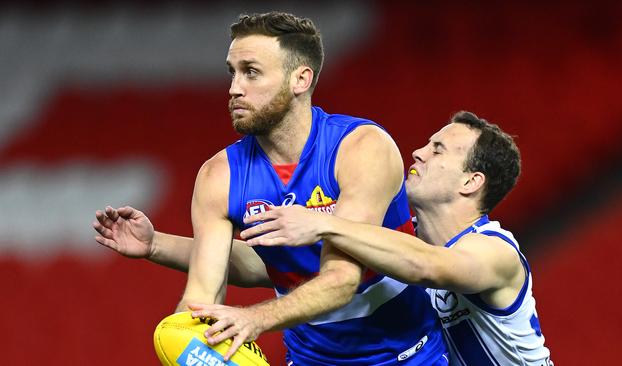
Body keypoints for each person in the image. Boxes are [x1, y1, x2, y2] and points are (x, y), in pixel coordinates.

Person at [94, 12, 447, 365]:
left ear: (300, 79)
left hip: (410, 354)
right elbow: (201, 298)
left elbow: (341, 280)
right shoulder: (219, 176)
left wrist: (254, 318)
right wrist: (190, 341)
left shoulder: (360, 148)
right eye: (231, 72)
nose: (234, 88)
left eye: (251, 71)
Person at [240, 111, 554, 366]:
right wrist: (194, 253)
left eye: (437, 149)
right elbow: (272, 265)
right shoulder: (399, 241)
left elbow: (426, 265)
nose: (418, 153)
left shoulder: (495, 251)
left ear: (471, 181)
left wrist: (324, 223)